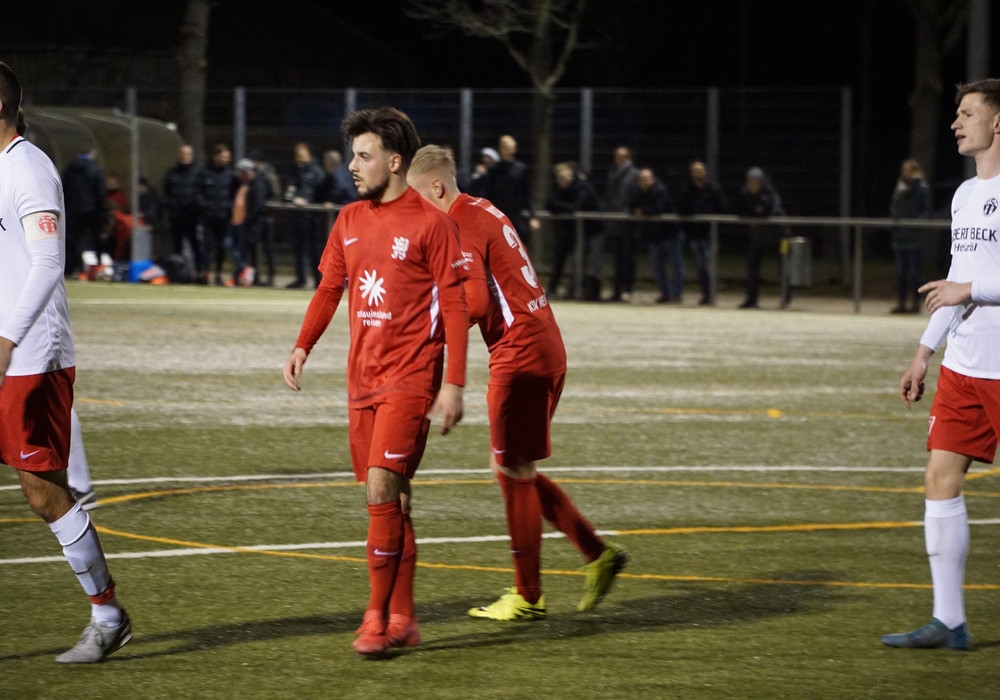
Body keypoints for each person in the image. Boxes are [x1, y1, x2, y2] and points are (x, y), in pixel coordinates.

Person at [407, 144, 628, 620]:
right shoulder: (483, 208)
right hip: (542, 344)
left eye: (418, 199)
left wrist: (431, 330)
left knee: (513, 470)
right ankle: (596, 553)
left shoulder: (460, 224)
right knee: (510, 464)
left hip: (520, 353)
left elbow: (477, 304)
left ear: (437, 187)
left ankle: (529, 596)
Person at [282, 107, 468, 657]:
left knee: (381, 488)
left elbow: (455, 306)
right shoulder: (348, 220)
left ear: (394, 161)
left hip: (412, 378)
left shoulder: (433, 225)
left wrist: (454, 384)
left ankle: (375, 617)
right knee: (394, 500)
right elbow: (329, 289)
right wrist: (302, 345)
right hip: (361, 378)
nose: (353, 166)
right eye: (353, 156)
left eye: (363, 156)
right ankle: (404, 618)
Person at [0, 61, 131, 663]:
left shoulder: (27, 167)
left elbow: (48, 262)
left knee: (43, 492)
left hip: (31, 353)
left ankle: (107, 615)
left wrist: (7, 339)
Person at [880, 78, 1000, 652]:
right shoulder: (964, 195)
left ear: (997, 122)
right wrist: (924, 352)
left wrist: (967, 290)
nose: (955, 123)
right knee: (939, 478)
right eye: (956, 113)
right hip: (964, 367)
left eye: (967, 113)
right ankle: (949, 621)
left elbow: (964, 286)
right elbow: (953, 281)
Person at [544, 161, 600, 299]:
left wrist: (560, 207)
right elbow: (549, 203)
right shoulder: (561, 189)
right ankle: (552, 289)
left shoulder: (583, 186)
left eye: (564, 178)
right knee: (559, 260)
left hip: (588, 231)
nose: (562, 181)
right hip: (569, 229)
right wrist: (564, 207)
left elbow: (576, 206)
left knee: (579, 262)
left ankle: (575, 291)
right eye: (559, 178)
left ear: (571, 174)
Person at [735, 166, 788, 309]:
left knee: (783, 264)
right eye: (750, 182)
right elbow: (740, 210)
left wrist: (759, 217)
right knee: (752, 264)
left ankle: (786, 298)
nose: (753, 185)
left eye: (756, 182)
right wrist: (750, 219)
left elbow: (772, 210)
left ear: (761, 182)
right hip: (759, 235)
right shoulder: (744, 193)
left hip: (779, 234)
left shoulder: (770, 193)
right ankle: (751, 299)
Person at [630, 167, 684, 303]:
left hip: (670, 234)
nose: (645, 181)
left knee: (676, 266)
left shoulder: (660, 190)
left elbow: (659, 208)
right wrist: (640, 212)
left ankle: (676, 294)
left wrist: (643, 212)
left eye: (648, 178)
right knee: (657, 267)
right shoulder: (638, 193)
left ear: (653, 179)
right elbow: (632, 206)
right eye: (642, 179)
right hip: (654, 236)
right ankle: (665, 293)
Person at [678, 160, 727, 305]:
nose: (697, 174)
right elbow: (682, 209)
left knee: (708, 265)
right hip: (695, 234)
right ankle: (705, 294)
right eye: (694, 171)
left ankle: (711, 294)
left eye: (700, 171)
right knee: (701, 266)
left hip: (709, 234)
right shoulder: (688, 190)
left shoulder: (714, 189)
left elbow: (722, 209)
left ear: (705, 172)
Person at [889, 158, 933, 314]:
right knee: (900, 272)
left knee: (915, 272)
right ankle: (901, 303)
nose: (904, 173)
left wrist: (915, 224)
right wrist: (895, 220)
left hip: (915, 238)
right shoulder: (900, 187)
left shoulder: (922, 188)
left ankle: (916, 303)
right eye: (903, 170)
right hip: (900, 237)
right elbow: (895, 207)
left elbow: (927, 211)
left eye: (907, 170)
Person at [480, 135, 538, 250]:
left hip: (516, 215)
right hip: (499, 215)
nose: (506, 150)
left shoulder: (521, 169)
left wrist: (533, 216)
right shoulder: (493, 170)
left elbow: (526, 193)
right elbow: (488, 194)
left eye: (508, 147)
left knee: (520, 248)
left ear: (514, 149)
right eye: (503, 146)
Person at [284, 142, 326, 289]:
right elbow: (289, 190)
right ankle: (300, 279)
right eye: (297, 155)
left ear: (309, 154)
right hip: (298, 216)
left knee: (315, 250)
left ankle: (318, 280)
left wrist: (308, 202)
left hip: (312, 217)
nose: (299, 158)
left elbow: (321, 193)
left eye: (302, 155)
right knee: (298, 248)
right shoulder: (294, 171)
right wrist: (291, 199)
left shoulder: (317, 171)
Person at [600, 146, 639, 302]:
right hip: (615, 222)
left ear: (628, 157)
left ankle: (626, 289)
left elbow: (635, 196)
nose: (619, 159)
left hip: (628, 223)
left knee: (628, 258)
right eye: (617, 156)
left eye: (622, 156)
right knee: (617, 259)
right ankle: (617, 290)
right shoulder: (612, 174)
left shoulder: (634, 174)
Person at [61, 146, 106, 278]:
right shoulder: (95, 169)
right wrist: (101, 209)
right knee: (94, 237)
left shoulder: (69, 169)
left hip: (71, 209)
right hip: (92, 210)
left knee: (73, 238)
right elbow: (100, 191)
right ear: (92, 153)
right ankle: (97, 268)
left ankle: (75, 267)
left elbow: (62, 188)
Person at [162, 144, 205, 281]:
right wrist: (170, 207)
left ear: (191, 156)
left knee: (196, 247)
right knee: (177, 248)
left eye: (187, 154)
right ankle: (178, 274)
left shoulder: (198, 174)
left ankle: (199, 273)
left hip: (193, 218)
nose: (184, 156)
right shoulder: (171, 173)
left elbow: (202, 194)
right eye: (182, 154)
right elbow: (167, 194)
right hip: (176, 217)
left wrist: (198, 208)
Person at [225, 158, 268, 286]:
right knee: (230, 245)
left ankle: (242, 274)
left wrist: (247, 218)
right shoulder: (242, 185)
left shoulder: (256, 185)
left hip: (247, 224)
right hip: (237, 222)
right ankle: (243, 271)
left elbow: (257, 206)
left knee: (241, 250)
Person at [200, 143, 237, 285]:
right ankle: (205, 273)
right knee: (207, 246)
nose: (225, 160)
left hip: (224, 217)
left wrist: (229, 208)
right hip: (208, 217)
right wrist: (204, 206)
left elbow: (234, 195)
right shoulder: (205, 173)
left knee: (221, 247)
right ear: (215, 157)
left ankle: (218, 274)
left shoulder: (230, 175)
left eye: (227, 157)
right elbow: (199, 192)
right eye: (223, 157)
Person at [247, 149, 280, 286]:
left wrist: (268, 209)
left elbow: (275, 193)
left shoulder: (267, 174)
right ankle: (256, 276)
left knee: (268, 247)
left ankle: (271, 276)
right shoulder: (255, 174)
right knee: (254, 247)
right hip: (257, 217)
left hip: (266, 216)